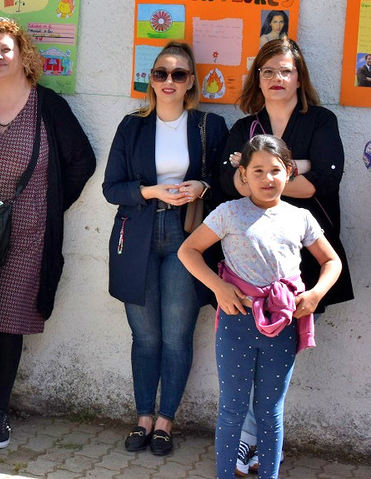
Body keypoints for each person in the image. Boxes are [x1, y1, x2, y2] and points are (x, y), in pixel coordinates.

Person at [0, 19, 96, 449]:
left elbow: (83, 162)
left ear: (23, 54)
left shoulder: (47, 105)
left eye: (6, 49)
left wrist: (48, 205)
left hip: (29, 233)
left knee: (9, 321)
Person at [219, 38, 354, 473]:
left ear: (300, 77)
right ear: (257, 77)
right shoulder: (244, 127)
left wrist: (261, 177)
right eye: (268, 71)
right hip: (247, 265)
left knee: (279, 351)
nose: (277, 79)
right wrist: (299, 168)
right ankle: (251, 440)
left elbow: (324, 183)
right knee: (247, 352)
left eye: (285, 71)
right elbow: (227, 183)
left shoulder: (321, 121)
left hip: (304, 259)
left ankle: (256, 439)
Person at [179, 134, 341, 479]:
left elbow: (332, 262)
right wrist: (219, 287)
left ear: (289, 172)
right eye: (258, 171)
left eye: (275, 170)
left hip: (281, 327)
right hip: (237, 325)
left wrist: (314, 295)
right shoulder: (228, 212)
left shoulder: (301, 218)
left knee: (270, 410)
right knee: (232, 409)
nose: (267, 179)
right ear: (244, 176)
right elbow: (188, 251)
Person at [103, 42, 228, 457]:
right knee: (145, 336)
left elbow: (228, 181)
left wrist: (203, 186)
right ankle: (142, 416)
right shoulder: (131, 125)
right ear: (150, 80)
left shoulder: (210, 125)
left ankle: (165, 421)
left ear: (191, 81)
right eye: (161, 73)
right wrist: (151, 191)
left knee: (176, 336)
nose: (169, 81)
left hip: (187, 235)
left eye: (178, 74)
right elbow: (111, 187)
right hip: (136, 233)